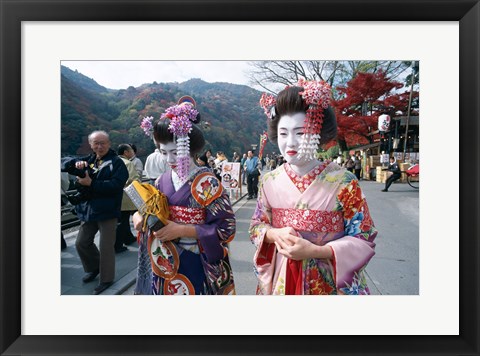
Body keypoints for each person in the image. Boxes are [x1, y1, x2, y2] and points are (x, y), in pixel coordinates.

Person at [250, 80, 378, 295]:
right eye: (283, 133)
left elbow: (363, 235)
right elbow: (256, 226)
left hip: (327, 278)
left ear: (317, 133)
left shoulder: (344, 181)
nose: (290, 143)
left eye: (300, 133)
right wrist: (273, 234)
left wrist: (318, 250)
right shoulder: (269, 180)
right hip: (282, 276)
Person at [132, 96, 236, 295]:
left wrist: (182, 230)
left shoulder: (208, 182)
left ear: (190, 148)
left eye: (175, 152)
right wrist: (139, 217)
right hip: (163, 258)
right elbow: (151, 212)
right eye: (163, 153)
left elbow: (227, 228)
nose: (169, 159)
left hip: (194, 257)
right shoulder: (161, 181)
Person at [67, 130, 128, 295]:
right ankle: (94, 267)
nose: (99, 146)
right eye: (96, 143)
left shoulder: (117, 163)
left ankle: (106, 279)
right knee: (81, 242)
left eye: (103, 143)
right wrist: (75, 163)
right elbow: (64, 163)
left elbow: (116, 186)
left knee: (106, 246)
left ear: (109, 144)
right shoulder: (89, 160)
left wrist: (91, 183)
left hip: (108, 210)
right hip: (89, 209)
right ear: (91, 144)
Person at [115, 144, 140, 253]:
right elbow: (134, 179)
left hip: (113, 196)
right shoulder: (127, 163)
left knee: (120, 220)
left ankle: (128, 238)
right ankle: (117, 245)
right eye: (131, 151)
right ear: (126, 152)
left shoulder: (113, 161)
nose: (133, 153)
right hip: (124, 196)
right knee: (123, 221)